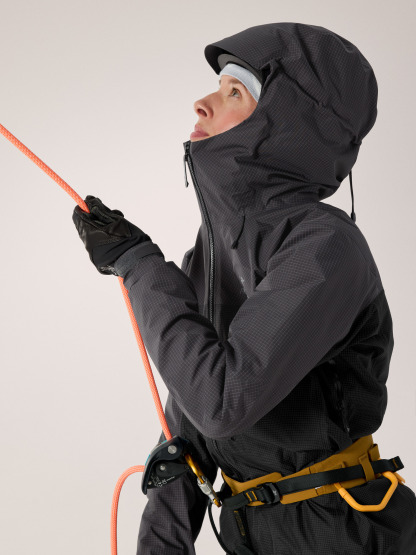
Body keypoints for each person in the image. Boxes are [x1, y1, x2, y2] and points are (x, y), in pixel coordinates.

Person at [72, 22, 416, 555]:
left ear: (290, 124)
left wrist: (139, 265)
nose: (202, 103)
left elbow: (222, 401)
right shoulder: (213, 252)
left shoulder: (324, 247)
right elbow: (187, 433)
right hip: (253, 536)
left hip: (344, 534)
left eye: (236, 92)